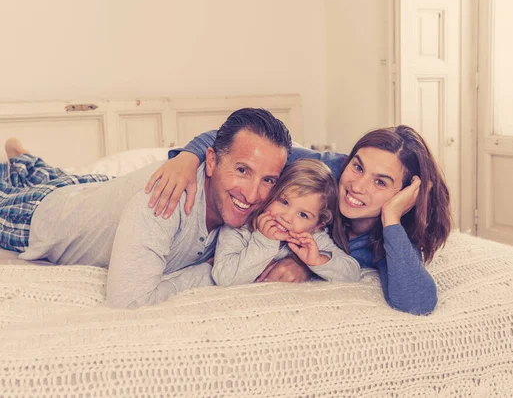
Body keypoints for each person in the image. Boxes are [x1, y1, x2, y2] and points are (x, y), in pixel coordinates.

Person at [0, 108, 292, 308]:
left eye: (267, 179)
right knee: (53, 191)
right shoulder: (164, 199)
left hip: (104, 187)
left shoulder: (262, 205)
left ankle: (25, 161)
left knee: (70, 180)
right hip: (46, 214)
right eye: (242, 170)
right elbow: (129, 303)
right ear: (212, 161)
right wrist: (207, 271)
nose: (253, 194)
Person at [146, 125, 452, 315]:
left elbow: (417, 303)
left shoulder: (390, 234)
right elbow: (230, 139)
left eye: (381, 183)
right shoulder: (318, 173)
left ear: (404, 196)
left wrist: (391, 217)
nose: (357, 186)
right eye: (357, 167)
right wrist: (186, 159)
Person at [212, 159, 360, 287]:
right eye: (284, 202)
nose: (287, 218)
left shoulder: (312, 237)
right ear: (272, 192)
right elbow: (224, 278)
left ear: (317, 225)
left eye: (303, 215)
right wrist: (264, 242)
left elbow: (352, 273)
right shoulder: (241, 226)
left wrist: (317, 260)